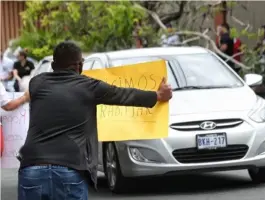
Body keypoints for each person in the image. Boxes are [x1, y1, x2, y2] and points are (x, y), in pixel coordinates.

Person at [18, 41, 172, 200]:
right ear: (79, 65)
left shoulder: (37, 83)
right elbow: (124, 95)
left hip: (32, 169)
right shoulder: (90, 87)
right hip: (70, 169)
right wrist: (158, 96)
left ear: (53, 64)